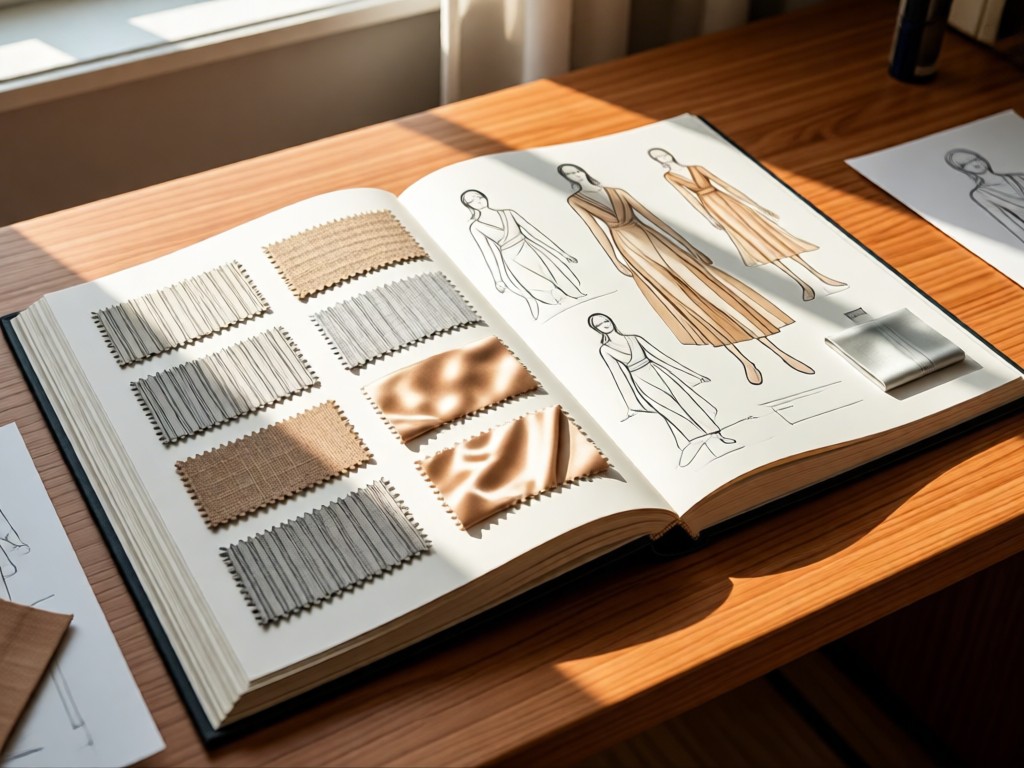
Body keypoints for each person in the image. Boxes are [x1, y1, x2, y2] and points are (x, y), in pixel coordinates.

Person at [559, 163, 813, 385]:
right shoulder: (577, 201)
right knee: (686, 302)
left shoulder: (618, 192)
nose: (575, 175)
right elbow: (597, 230)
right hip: (631, 249)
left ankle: (780, 352)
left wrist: (689, 247)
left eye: (576, 170)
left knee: (711, 291)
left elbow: (655, 220)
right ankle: (744, 360)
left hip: (657, 240)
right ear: (568, 178)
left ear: (583, 171)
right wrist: (615, 260)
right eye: (570, 173)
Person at [647, 147, 846, 301]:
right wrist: (709, 217)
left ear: (669, 154)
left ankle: (819, 276)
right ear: (658, 161)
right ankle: (802, 284)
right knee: (755, 244)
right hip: (715, 209)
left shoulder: (696, 168)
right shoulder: (670, 177)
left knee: (770, 236)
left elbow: (726, 186)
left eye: (663, 154)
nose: (663, 157)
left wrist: (757, 207)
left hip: (731, 203)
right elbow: (689, 198)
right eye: (658, 157)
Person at [587, 313, 735, 467]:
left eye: (606, 320)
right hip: (642, 381)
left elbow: (661, 357)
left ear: (611, 320)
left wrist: (693, 375)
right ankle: (695, 440)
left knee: (688, 402)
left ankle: (716, 435)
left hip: (660, 373)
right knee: (669, 410)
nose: (605, 325)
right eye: (599, 325)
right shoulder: (605, 350)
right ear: (597, 329)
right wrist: (631, 402)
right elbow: (619, 376)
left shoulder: (634, 339)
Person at [461, 189, 584, 319]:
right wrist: (498, 279)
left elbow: (534, 233)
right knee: (540, 288)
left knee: (555, 280)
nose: (478, 201)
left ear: (485, 197)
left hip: (531, 251)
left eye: (479, 197)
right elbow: (488, 254)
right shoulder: (476, 227)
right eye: (472, 201)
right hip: (512, 260)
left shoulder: (509, 213)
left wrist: (561, 253)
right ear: (469, 206)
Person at [945, 149, 1024, 243]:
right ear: (962, 169)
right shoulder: (980, 194)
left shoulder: (1020, 177)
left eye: (975, 159)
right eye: (965, 164)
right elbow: (1010, 222)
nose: (975, 163)